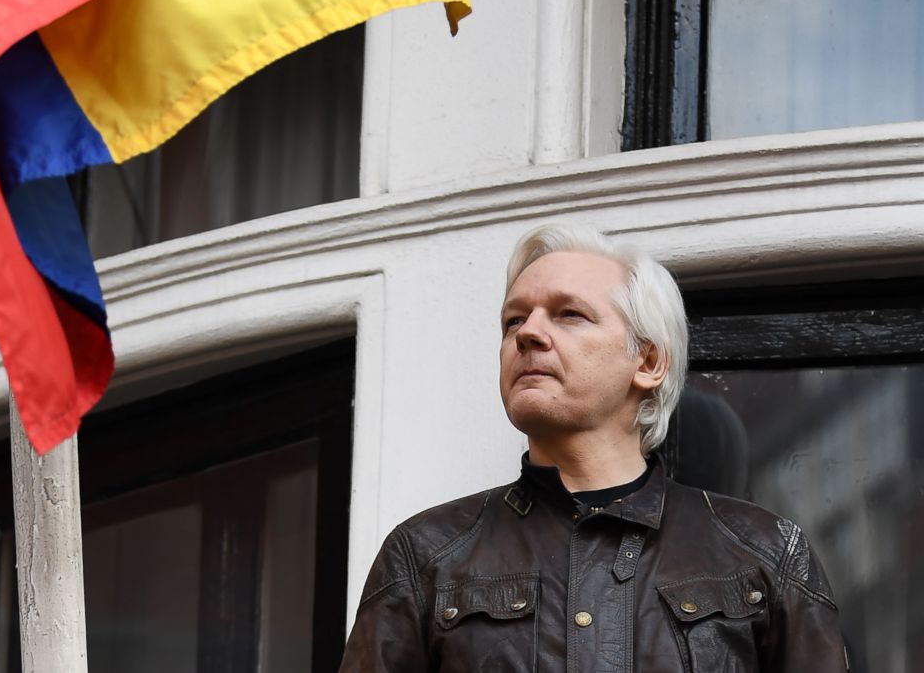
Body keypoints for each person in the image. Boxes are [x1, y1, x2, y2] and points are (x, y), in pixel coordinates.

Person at [339, 224, 848, 672]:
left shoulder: (767, 552)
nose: (529, 334)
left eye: (569, 314)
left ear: (648, 362)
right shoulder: (424, 553)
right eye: (514, 320)